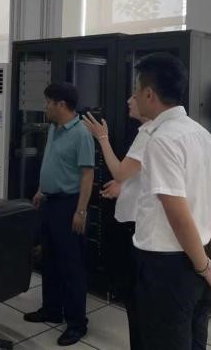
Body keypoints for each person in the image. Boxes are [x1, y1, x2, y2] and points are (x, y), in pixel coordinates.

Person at [131, 52, 211, 350]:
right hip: (198, 257)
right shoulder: (202, 134)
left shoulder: (162, 140)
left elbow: (177, 213)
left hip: (167, 267)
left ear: (149, 94)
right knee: (194, 338)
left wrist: (204, 266)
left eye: (137, 89)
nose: (133, 96)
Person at [24, 82, 95, 347]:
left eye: (48, 103)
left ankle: (77, 324)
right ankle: (52, 310)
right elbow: (53, 162)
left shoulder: (81, 134)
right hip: (50, 203)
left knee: (71, 267)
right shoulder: (55, 128)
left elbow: (87, 174)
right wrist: (41, 189)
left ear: (61, 105)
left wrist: (81, 211)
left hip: (70, 205)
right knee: (50, 260)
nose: (46, 107)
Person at [81, 96, 150, 350]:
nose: (129, 100)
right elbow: (145, 176)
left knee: (138, 303)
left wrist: (102, 138)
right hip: (138, 224)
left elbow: (121, 170)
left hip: (139, 228)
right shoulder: (151, 133)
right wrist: (125, 186)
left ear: (151, 96)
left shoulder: (150, 134)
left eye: (136, 93)